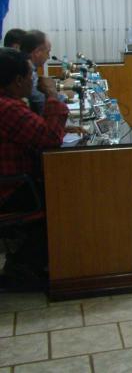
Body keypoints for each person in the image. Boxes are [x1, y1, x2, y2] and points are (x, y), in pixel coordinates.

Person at [0, 47, 68, 285]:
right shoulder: (8, 108)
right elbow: (50, 138)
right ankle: (24, 265)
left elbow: (34, 131)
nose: (35, 81)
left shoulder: (9, 103)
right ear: (18, 80)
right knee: (68, 196)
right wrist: (52, 95)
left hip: (15, 181)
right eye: (32, 75)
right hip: (12, 189)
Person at [19, 30, 52, 114]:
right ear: (37, 52)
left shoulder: (26, 66)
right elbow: (40, 100)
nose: (48, 57)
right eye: (47, 52)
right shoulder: (28, 72)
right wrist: (58, 97)